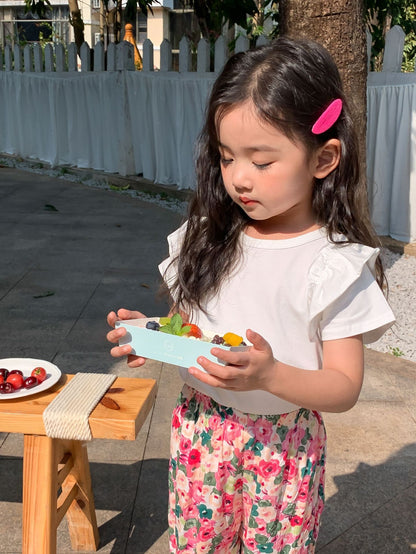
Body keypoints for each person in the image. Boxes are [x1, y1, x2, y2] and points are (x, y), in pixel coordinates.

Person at [107, 36, 395, 553]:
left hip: (282, 446)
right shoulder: (206, 237)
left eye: (262, 162)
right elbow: (186, 321)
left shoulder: (334, 265)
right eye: (226, 157)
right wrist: (152, 337)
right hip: (201, 432)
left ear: (324, 158)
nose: (239, 178)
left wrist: (272, 375)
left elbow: (344, 386)